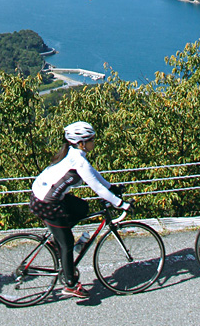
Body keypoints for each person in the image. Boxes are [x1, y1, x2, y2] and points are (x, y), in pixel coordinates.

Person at [30, 121, 131, 299]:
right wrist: (120, 204)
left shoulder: (75, 154)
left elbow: (94, 174)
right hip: (46, 203)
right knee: (68, 243)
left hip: (45, 195)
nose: (95, 142)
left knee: (82, 207)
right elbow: (97, 190)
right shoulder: (78, 161)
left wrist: (111, 187)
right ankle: (70, 284)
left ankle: (56, 242)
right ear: (82, 142)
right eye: (92, 139)